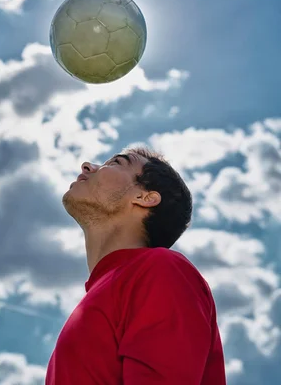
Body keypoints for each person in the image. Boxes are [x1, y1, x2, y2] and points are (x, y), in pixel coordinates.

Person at [45, 146, 226, 385]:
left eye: (117, 163)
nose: (88, 166)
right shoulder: (102, 294)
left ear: (145, 197)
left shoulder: (160, 269)